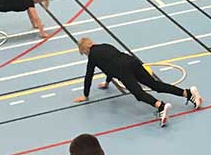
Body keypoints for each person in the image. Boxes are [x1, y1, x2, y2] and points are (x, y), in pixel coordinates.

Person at [74, 38, 202, 127]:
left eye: (84, 53)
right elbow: (108, 65)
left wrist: (85, 95)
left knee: (139, 94)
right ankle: (187, 93)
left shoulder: (92, 56)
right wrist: (107, 83)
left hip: (123, 70)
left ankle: (161, 106)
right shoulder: (105, 45)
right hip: (131, 61)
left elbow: (89, 75)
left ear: (86, 50)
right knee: (155, 84)